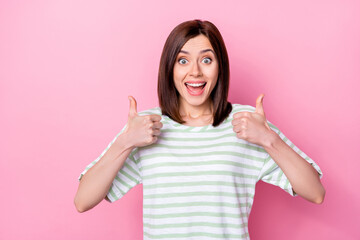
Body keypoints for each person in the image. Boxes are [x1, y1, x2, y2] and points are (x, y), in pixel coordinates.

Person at [74, 19, 325, 240]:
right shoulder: (146, 127)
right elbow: (83, 201)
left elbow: (315, 193)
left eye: (206, 59)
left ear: (220, 67)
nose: (195, 71)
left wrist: (269, 140)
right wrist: (124, 142)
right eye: (183, 60)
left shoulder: (248, 123)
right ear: (170, 68)